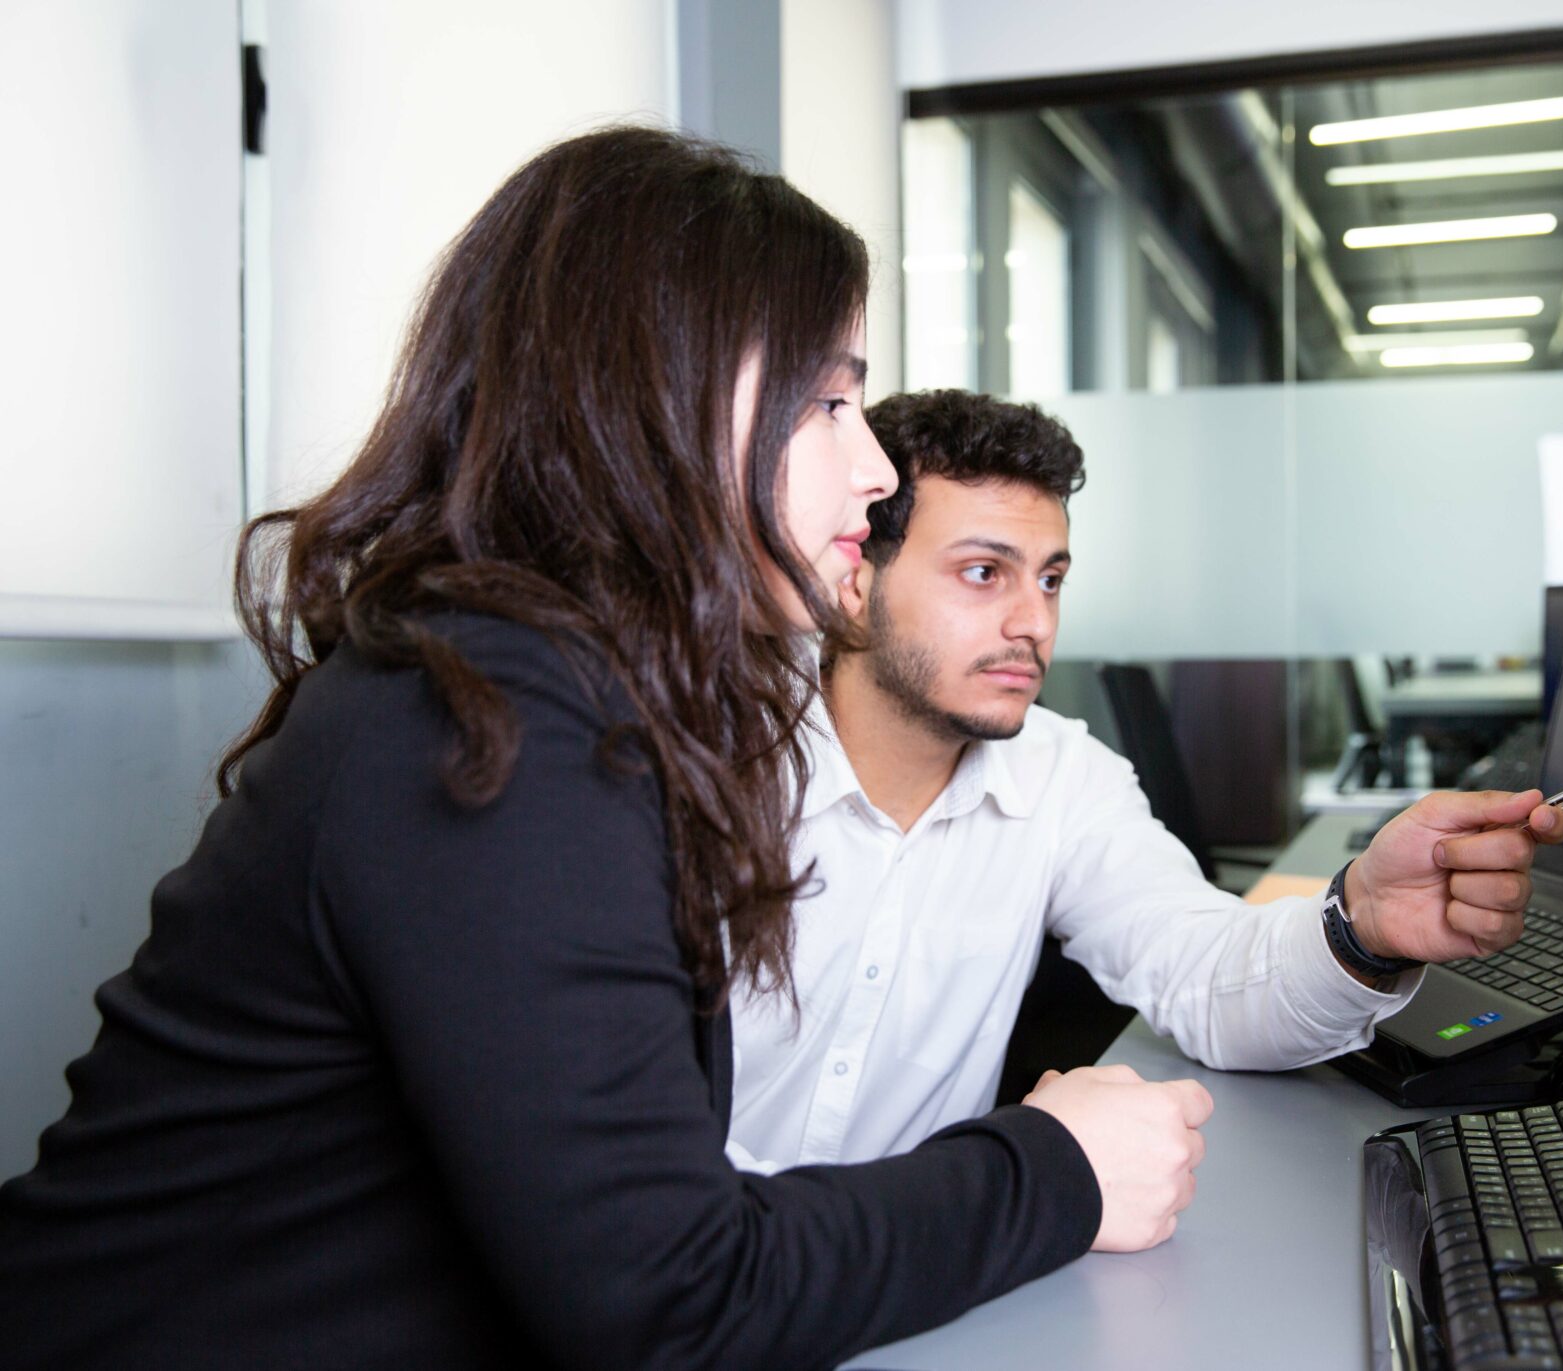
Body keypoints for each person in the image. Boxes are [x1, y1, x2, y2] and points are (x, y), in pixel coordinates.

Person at [0, 130, 1211, 1370]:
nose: (874, 468)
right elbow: (670, 1300)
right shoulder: (491, 716)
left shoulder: (575, 690)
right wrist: (1056, 1169)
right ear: (654, 400)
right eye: (829, 401)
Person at [727, 389, 1563, 1170]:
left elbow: (1206, 974)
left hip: (914, 1289)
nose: (1034, 623)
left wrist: (1363, 925)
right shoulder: (709, 765)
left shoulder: (1061, 777)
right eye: (984, 573)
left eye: (1051, 578)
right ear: (854, 581)